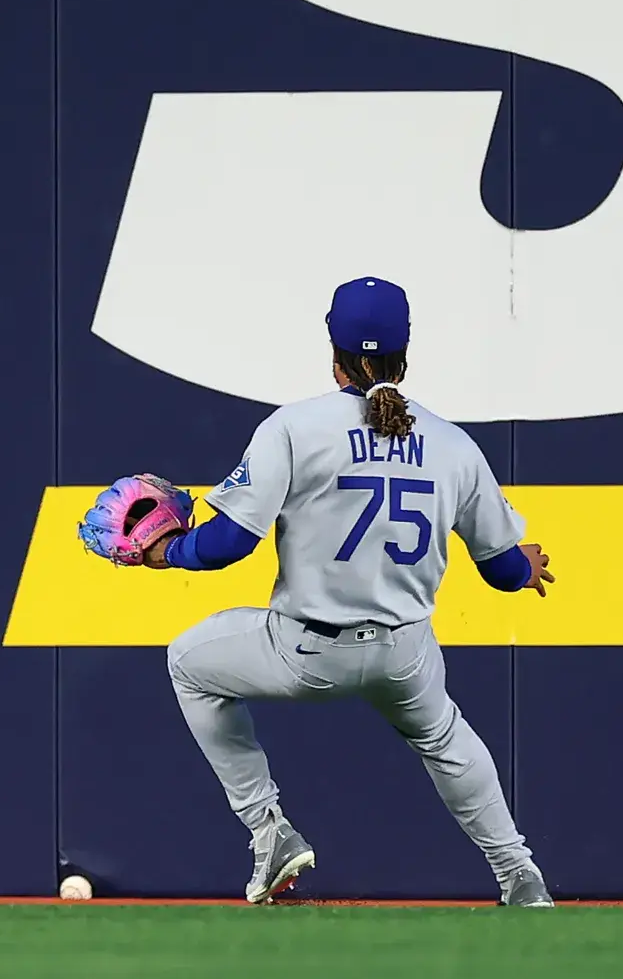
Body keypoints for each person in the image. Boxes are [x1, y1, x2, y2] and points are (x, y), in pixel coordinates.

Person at [145, 276, 556, 907]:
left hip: (304, 652)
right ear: (405, 354)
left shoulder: (293, 428)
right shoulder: (452, 443)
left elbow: (226, 545)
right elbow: (501, 571)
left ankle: (269, 831)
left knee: (188, 663)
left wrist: (167, 551)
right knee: (444, 738)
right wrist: (523, 567)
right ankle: (520, 876)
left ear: (333, 350)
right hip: (404, 654)